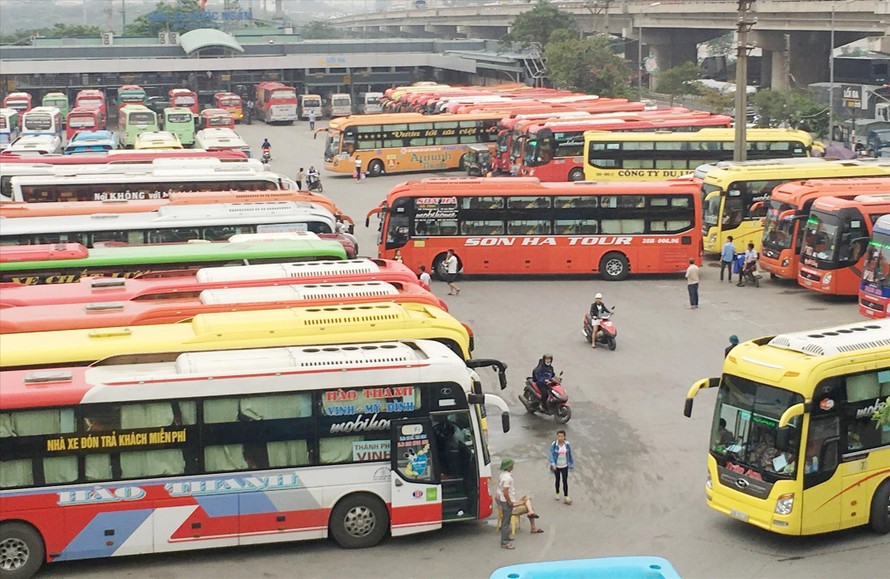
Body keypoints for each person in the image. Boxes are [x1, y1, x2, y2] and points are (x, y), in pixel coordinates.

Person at [496, 457, 541, 550]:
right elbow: (505, 491)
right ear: (509, 467)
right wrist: (510, 502)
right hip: (507, 502)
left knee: (506, 521)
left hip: (505, 501)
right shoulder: (507, 478)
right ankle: (504, 543)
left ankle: (506, 538)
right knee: (506, 523)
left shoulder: (502, 475)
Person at [549, 430, 574, 505]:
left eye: (561, 436)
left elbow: (569, 454)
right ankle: (557, 493)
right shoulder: (554, 444)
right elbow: (551, 454)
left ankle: (566, 496)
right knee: (557, 480)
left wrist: (571, 463)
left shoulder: (567, 444)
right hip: (557, 466)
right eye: (558, 436)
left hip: (565, 465)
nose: (560, 438)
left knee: (565, 481)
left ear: (564, 437)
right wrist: (553, 463)